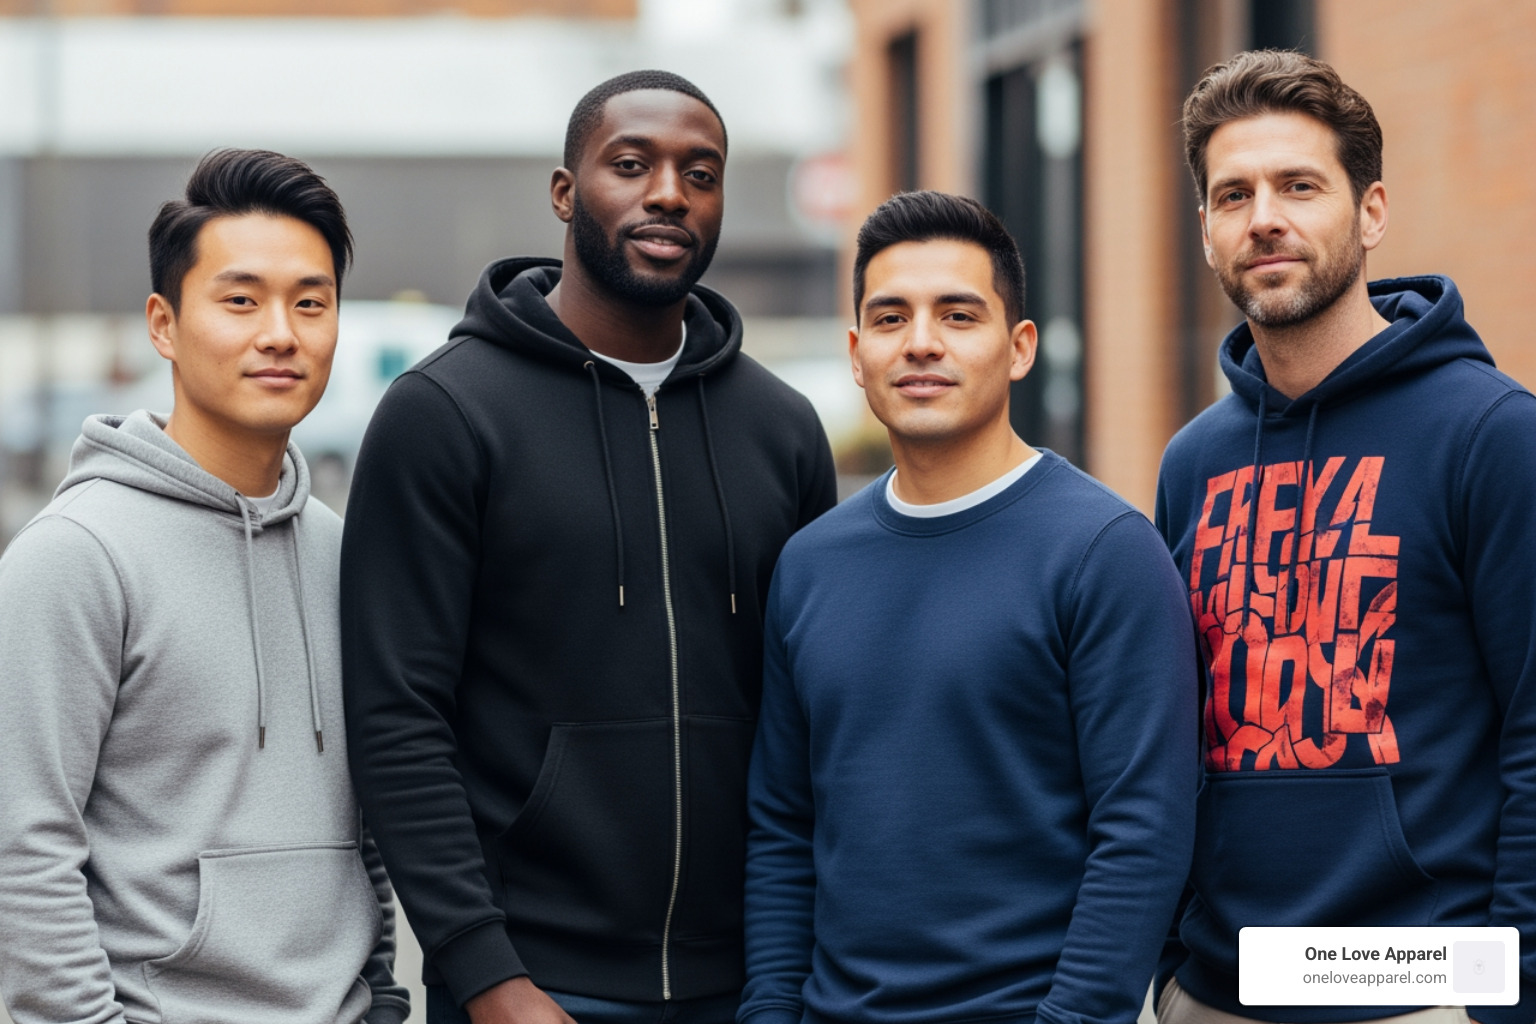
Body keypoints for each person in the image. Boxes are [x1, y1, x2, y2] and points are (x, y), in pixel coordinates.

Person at [340, 70, 837, 1024]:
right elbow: (397, 718)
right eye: (631, 164)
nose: (668, 193)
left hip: (746, 985)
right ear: (566, 193)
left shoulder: (781, 430)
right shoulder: (445, 416)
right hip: (529, 983)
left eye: (702, 173)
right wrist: (484, 972)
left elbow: (806, 716)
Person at [739, 190, 1197, 1024]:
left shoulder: (1104, 551)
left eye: (958, 315)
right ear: (855, 351)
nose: (921, 344)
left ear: (1018, 347)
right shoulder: (810, 564)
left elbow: (1143, 831)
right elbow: (782, 827)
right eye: (890, 318)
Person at [1154, 49, 1536, 1024]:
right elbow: (1167, 737)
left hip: (1420, 990)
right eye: (1232, 194)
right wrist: (1171, 973)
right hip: (1220, 992)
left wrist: (1503, 999)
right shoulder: (1192, 463)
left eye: (1299, 185)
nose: (1264, 216)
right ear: (1205, 232)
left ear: (1370, 212)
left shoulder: (1491, 435)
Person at [0, 149, 407, 1024]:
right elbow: (21, 852)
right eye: (239, 299)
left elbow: (362, 831)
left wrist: (381, 998)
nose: (280, 333)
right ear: (163, 323)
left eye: (310, 302)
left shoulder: (347, 554)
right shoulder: (74, 555)